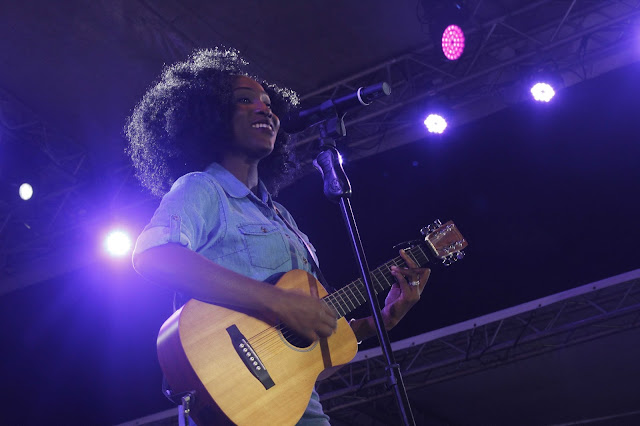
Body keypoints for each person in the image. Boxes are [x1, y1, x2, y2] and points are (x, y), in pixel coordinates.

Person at [126, 47, 430, 425]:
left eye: (269, 104)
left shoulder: (284, 219)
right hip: (227, 399)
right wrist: (279, 302)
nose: (264, 110)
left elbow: (304, 356)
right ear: (210, 116)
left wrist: (380, 322)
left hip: (293, 408)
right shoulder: (202, 188)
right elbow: (154, 255)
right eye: (245, 100)